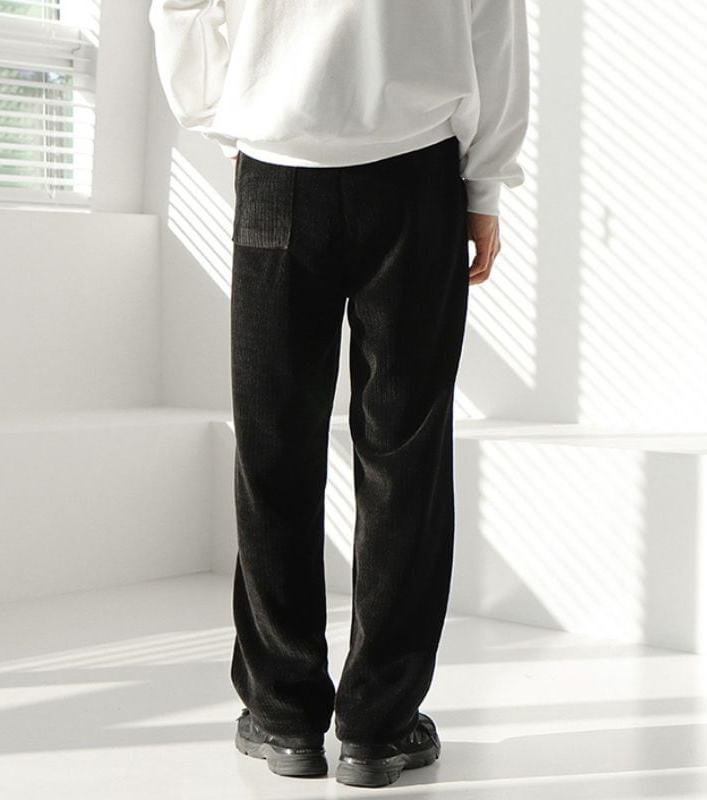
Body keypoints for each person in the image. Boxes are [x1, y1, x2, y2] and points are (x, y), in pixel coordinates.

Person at [149, 0, 529, 787]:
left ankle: (284, 717)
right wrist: (484, 184)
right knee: (405, 457)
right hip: (416, 176)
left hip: (278, 166)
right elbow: (494, 24)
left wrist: (226, 116)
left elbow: (182, 7)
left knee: (274, 449)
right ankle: (378, 729)